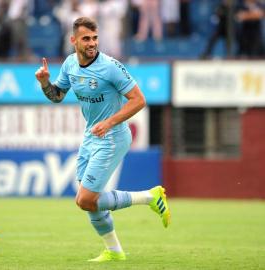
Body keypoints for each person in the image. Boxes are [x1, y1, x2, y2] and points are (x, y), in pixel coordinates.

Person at [35, 17, 170, 262]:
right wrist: (45, 83)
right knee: (88, 202)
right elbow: (57, 96)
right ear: (73, 40)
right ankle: (115, 251)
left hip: (113, 137)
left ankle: (150, 197)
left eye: (95, 38)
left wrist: (109, 122)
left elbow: (139, 100)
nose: (92, 43)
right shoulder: (69, 64)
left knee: (86, 199)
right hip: (91, 137)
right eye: (86, 38)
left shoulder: (110, 67)